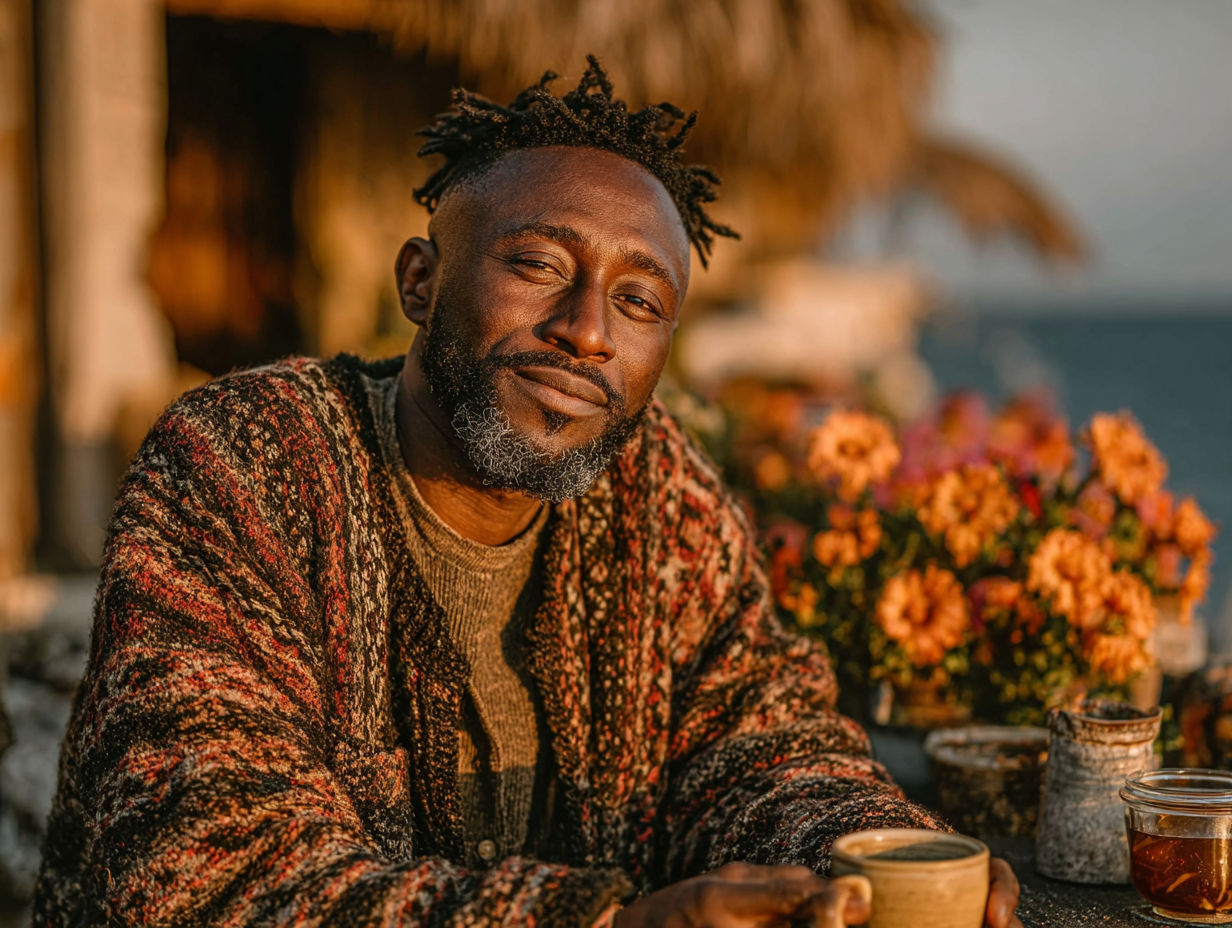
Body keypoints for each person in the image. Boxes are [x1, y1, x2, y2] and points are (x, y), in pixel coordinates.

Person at [33, 59, 1021, 928]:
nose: (587, 330)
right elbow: (197, 874)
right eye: (539, 265)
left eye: (639, 301)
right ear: (419, 282)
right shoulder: (244, 463)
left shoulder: (656, 491)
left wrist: (869, 848)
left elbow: (758, 734)